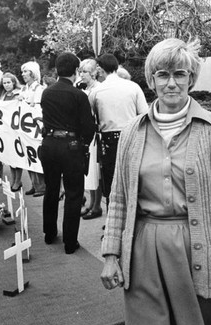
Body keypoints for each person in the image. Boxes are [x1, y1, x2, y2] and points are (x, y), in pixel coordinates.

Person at [100, 38, 211, 325]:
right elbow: (118, 199)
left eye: (179, 74)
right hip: (143, 248)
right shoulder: (132, 130)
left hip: (197, 245)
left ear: (191, 78)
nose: (171, 83)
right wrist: (110, 255)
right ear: (151, 79)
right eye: (162, 74)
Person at [40, 52, 96, 254]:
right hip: (71, 146)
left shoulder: (47, 93)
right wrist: (83, 144)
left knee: (51, 189)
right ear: (75, 71)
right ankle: (70, 242)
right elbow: (88, 127)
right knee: (73, 194)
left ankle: (49, 232)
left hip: (48, 144)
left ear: (56, 70)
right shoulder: (78, 95)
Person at [88, 53, 148, 207]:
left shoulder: (97, 91)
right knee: (131, 180)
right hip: (132, 136)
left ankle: (112, 220)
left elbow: (92, 117)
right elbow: (144, 115)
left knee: (111, 182)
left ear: (100, 69)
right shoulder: (132, 86)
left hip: (108, 141)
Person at [78, 58, 103, 220]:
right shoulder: (84, 89)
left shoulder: (99, 89)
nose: (82, 75)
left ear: (94, 73)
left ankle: (97, 205)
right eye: (80, 72)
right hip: (86, 134)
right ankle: (92, 201)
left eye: (85, 72)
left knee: (97, 171)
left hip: (97, 134)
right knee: (90, 172)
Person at [19, 61, 46, 197]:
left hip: (35, 127)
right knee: (27, 155)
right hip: (25, 128)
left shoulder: (39, 89)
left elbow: (38, 108)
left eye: (26, 71)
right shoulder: (24, 89)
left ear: (33, 73)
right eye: (22, 72)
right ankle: (34, 184)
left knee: (35, 155)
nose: (23, 74)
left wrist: (27, 104)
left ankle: (41, 185)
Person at [0, 72, 23, 191]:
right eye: (4, 83)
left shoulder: (18, 94)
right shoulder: (2, 95)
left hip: (16, 129)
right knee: (10, 157)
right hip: (5, 129)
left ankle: (18, 180)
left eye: (9, 82)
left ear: (13, 82)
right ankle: (13, 179)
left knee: (17, 156)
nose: (7, 85)